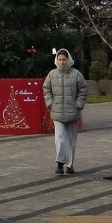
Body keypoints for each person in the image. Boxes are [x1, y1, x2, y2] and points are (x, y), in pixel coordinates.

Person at [43, 48, 87, 176]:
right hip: (57, 112)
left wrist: (79, 104)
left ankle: (70, 165)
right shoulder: (52, 74)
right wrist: (50, 103)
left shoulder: (76, 74)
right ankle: (60, 162)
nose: (62, 62)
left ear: (68, 60)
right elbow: (46, 89)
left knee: (71, 140)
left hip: (72, 113)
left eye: (64, 59)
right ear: (56, 60)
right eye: (60, 59)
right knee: (60, 137)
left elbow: (83, 90)